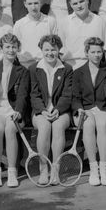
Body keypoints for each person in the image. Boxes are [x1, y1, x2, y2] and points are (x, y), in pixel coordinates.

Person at [0, 33, 30, 187]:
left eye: (14, 47)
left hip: (14, 111)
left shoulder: (23, 71)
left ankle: (12, 171)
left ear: (18, 48)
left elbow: (22, 95)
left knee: (10, 130)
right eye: (7, 47)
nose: (11, 50)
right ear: (1, 48)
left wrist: (19, 111)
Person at [72, 37, 106, 186]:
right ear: (87, 53)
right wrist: (79, 109)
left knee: (102, 123)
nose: (97, 55)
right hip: (84, 110)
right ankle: (93, 168)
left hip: (104, 109)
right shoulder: (78, 72)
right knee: (89, 123)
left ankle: (103, 168)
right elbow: (75, 97)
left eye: (99, 51)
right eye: (93, 52)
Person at [29, 34, 72, 185]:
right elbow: (34, 94)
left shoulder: (66, 68)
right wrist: (42, 110)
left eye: (53, 49)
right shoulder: (34, 68)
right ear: (41, 50)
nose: (50, 53)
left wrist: (58, 109)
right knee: (45, 126)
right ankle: (43, 169)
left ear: (59, 50)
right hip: (40, 111)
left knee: (58, 126)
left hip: (61, 111)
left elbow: (67, 94)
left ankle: (55, 170)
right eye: (46, 49)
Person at [58, 0, 106, 70]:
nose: (79, 6)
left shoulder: (99, 21)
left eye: (81, 1)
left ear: (87, 0)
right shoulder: (64, 22)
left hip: (94, 66)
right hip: (71, 67)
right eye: (75, 3)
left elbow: (104, 47)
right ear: (70, 4)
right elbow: (60, 48)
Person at [13, 0, 58, 68]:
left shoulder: (51, 21)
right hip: (25, 66)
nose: (33, 7)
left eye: (36, 3)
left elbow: (56, 45)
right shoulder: (19, 24)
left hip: (46, 65)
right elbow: (16, 47)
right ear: (25, 4)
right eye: (30, 4)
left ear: (40, 2)